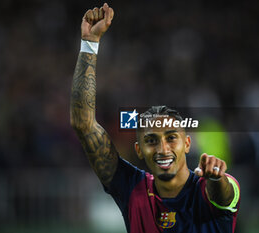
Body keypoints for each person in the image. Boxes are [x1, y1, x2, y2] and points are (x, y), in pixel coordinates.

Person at [70, 3, 240, 233]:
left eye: (171, 137)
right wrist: (90, 43)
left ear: (187, 143)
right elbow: (83, 124)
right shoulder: (131, 187)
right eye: (151, 140)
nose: (162, 148)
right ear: (138, 150)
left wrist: (217, 179)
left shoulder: (208, 188)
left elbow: (223, 193)